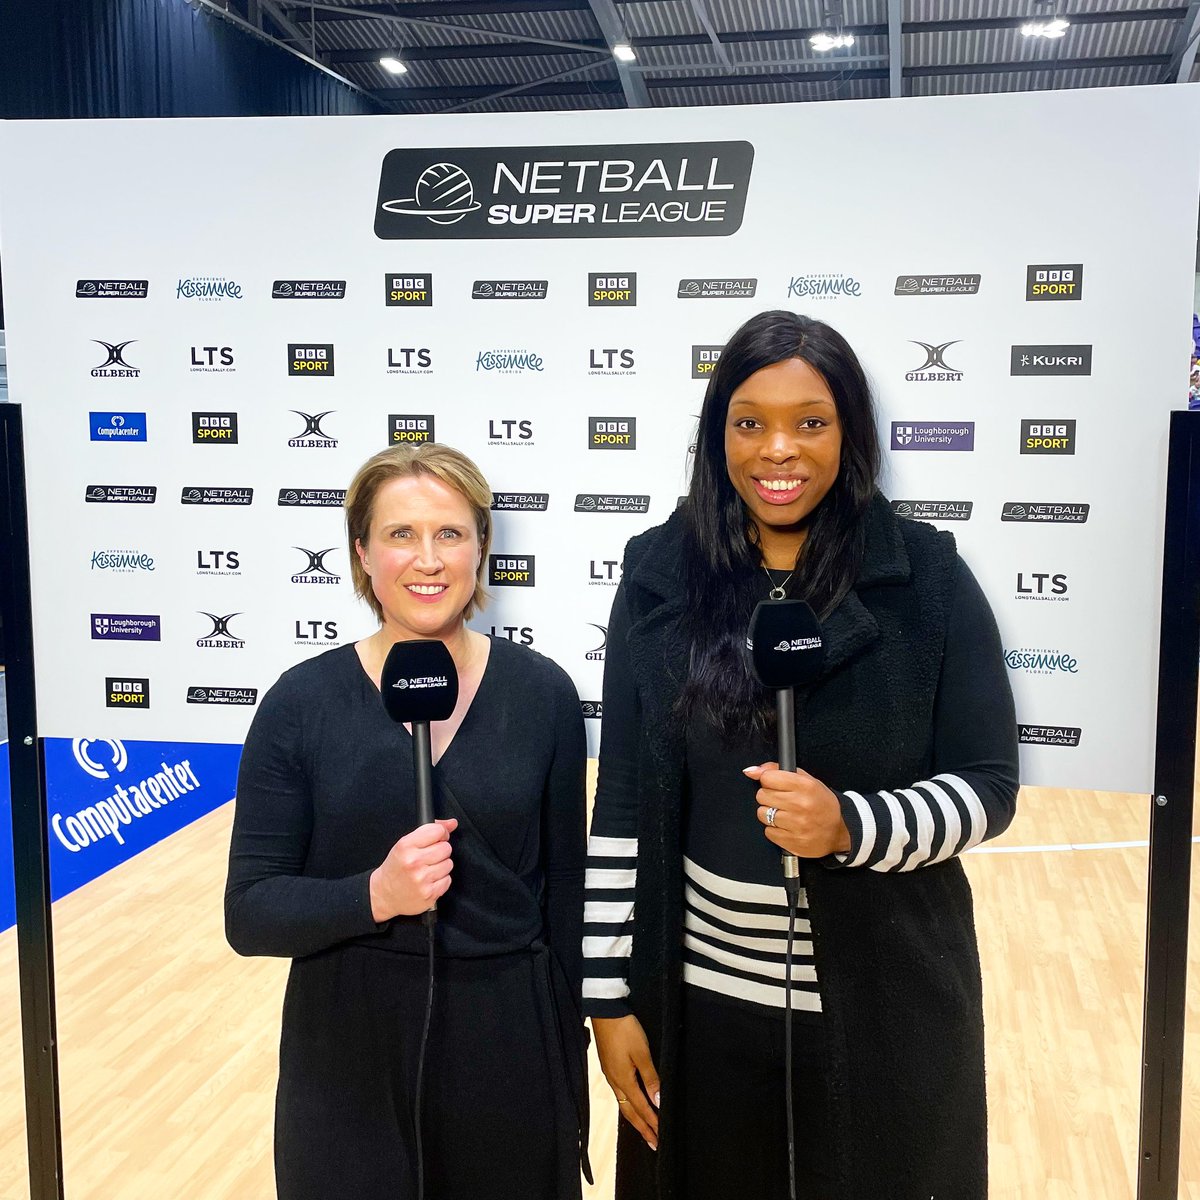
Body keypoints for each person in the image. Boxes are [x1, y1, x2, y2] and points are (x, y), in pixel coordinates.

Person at [584, 310, 1019, 1200]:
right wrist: (608, 997)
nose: (778, 450)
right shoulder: (657, 572)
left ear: (850, 433)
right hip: (697, 1014)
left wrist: (850, 825)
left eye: (810, 422)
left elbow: (990, 788)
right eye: (750, 422)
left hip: (881, 1013)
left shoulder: (927, 579)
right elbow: (622, 796)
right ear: (718, 436)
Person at [225, 443, 590, 1200]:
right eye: (400, 535)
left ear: (481, 547)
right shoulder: (300, 704)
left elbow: (566, 900)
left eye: (449, 534)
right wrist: (374, 895)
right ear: (361, 554)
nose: (427, 559)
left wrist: (571, 1064)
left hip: (509, 1047)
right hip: (349, 1052)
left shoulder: (544, 694)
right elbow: (250, 911)